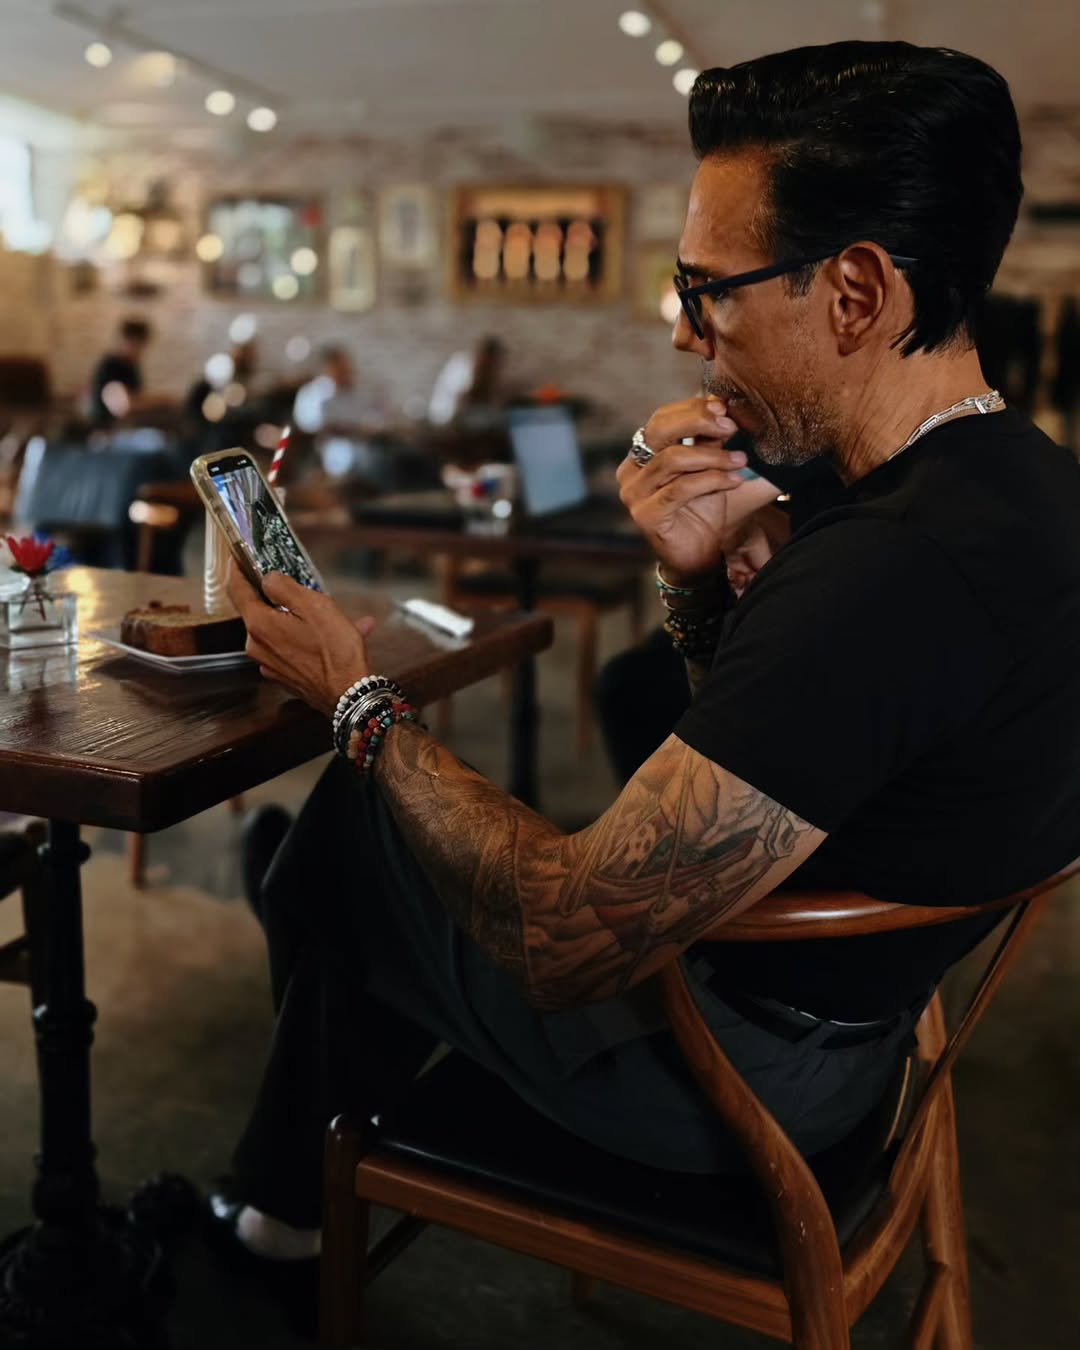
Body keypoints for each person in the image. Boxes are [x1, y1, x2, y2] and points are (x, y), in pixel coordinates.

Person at [211, 42, 1080, 1285]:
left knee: (360, 825)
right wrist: (697, 582)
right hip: (858, 1031)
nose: (683, 334)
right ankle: (293, 1150)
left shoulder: (888, 570)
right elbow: (798, 759)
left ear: (855, 293)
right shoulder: (1027, 491)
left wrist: (355, 698)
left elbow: (568, 937)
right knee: (383, 869)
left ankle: (277, 1215)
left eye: (707, 289)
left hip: (734, 1083)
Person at [88, 317, 153, 425]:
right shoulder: (111, 366)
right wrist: (161, 402)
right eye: (136, 344)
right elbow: (124, 406)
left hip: (125, 426)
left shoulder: (131, 365)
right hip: (107, 428)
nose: (140, 350)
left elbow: (136, 396)